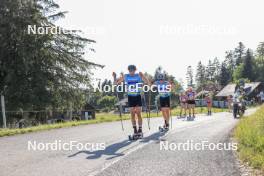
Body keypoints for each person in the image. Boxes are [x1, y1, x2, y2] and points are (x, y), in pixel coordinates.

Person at [113, 65, 149, 136]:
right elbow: (116, 83)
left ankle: (140, 129)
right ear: (128, 70)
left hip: (138, 96)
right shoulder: (126, 76)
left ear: (135, 70)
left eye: (133, 70)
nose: (131, 72)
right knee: (132, 114)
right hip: (130, 97)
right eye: (130, 70)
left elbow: (147, 82)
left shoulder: (138, 75)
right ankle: (135, 129)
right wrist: (114, 77)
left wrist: (143, 76)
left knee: (138, 114)